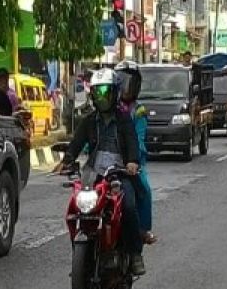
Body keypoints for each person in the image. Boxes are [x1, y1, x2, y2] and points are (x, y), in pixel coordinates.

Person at [56, 68, 146, 276]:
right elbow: (76, 143)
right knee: (75, 207)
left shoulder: (124, 120)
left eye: (106, 92)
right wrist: (67, 160)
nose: (102, 97)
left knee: (129, 207)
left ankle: (134, 254)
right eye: (98, 92)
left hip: (119, 173)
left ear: (115, 93)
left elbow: (132, 143)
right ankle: (80, 258)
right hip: (94, 174)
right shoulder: (89, 121)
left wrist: (132, 162)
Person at [115, 61, 156, 246]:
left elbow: (139, 138)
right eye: (122, 82)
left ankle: (143, 230)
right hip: (108, 161)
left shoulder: (138, 111)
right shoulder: (108, 107)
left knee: (144, 189)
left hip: (133, 163)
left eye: (129, 83)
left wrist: (133, 157)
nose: (125, 88)